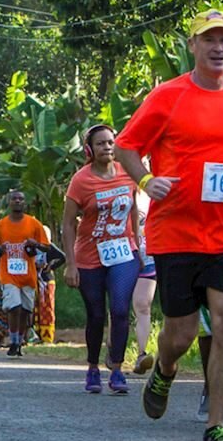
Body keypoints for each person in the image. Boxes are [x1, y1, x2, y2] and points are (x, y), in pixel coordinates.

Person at [115, 8, 223, 441]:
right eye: (210, 39)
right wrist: (147, 179)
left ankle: (216, 424)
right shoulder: (169, 96)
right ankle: (165, 369)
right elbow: (127, 146)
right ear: (193, 46)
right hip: (176, 232)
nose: (219, 47)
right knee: (180, 333)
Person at [62, 124, 140, 393]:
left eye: (111, 142)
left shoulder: (128, 173)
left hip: (123, 252)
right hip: (90, 256)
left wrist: (138, 246)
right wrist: (71, 264)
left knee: (119, 310)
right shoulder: (81, 180)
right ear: (90, 150)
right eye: (100, 144)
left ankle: (117, 369)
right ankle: (93, 367)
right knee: (96, 315)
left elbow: (133, 211)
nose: (107, 147)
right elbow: (68, 224)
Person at [0, 190, 49, 358]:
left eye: (21, 199)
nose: (18, 201)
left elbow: (46, 246)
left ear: (25, 203)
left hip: (28, 275)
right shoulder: (1, 225)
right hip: (8, 273)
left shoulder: (33, 224)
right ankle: (13, 341)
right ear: (9, 203)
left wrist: (36, 244)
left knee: (25, 309)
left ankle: (19, 341)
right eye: (14, 199)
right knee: (14, 306)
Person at [131, 189, 156, 374]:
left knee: (143, 305)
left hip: (148, 258)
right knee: (119, 308)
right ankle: (113, 349)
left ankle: (141, 354)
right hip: (123, 256)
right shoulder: (120, 184)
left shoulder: (157, 191)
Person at [33, 226, 65, 344]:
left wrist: (51, 267)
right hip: (35, 280)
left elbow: (63, 257)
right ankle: (36, 334)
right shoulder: (34, 247)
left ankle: (47, 337)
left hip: (47, 281)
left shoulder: (50, 248)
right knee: (36, 307)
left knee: (47, 308)